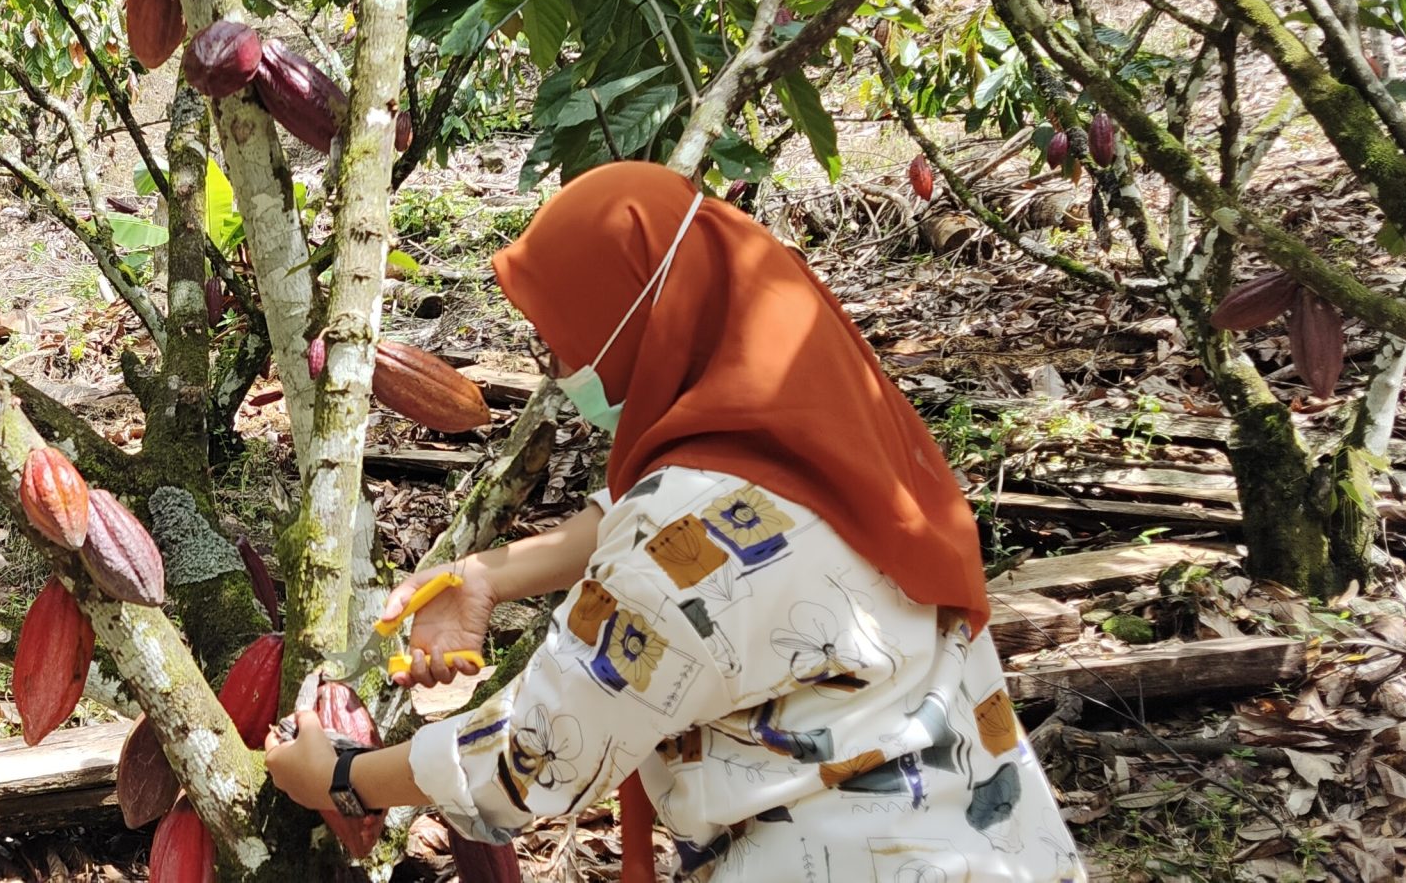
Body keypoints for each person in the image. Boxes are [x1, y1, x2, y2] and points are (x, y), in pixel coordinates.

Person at [264, 161, 1087, 882]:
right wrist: (491, 572)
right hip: (990, 832)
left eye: (565, 341)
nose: (558, 370)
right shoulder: (831, 425)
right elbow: (666, 521)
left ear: (635, 320)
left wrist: (342, 776)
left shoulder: (677, 538)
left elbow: (539, 753)